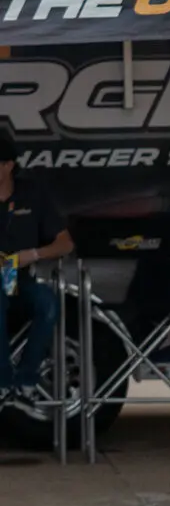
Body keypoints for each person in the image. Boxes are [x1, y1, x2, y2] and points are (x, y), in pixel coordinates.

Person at [0, 128, 75, 418]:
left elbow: (65, 244)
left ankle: (26, 382)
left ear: (8, 165)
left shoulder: (32, 194)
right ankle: (3, 384)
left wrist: (31, 255)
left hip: (21, 278)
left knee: (48, 303)